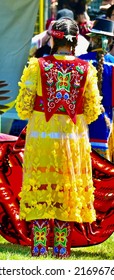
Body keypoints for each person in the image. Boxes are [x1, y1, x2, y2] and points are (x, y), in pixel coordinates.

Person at [16, 18, 102, 258]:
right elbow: (93, 111)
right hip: (72, 141)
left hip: (42, 139)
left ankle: (40, 246)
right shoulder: (87, 69)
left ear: (53, 38)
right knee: (66, 189)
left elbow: (23, 108)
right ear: (75, 41)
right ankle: (62, 248)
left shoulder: (37, 66)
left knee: (41, 186)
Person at [79, 17, 114, 160]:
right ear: (110, 41)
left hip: (82, 123)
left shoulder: (80, 61)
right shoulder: (113, 64)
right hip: (106, 123)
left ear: (92, 40)